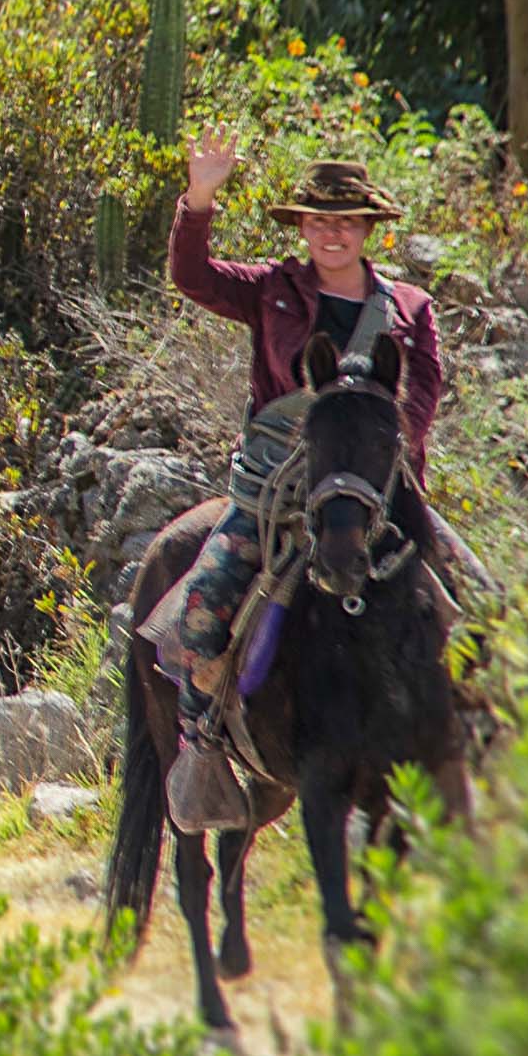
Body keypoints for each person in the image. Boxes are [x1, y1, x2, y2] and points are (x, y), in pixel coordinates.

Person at [162, 131, 443, 831]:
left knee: (479, 608)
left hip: (372, 489)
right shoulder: (272, 290)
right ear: (303, 228)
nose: (332, 234)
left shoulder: (410, 309)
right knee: (203, 609)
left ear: (368, 228)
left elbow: (421, 400)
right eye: (319, 221)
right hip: (275, 487)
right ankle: (202, 747)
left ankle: (469, 752)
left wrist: (363, 462)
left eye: (346, 221)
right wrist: (200, 198)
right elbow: (193, 278)